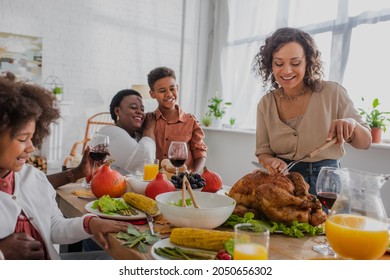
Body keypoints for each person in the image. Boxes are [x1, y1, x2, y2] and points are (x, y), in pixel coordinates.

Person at [0, 73, 129, 260]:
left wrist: (89, 224)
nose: (31, 147)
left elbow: (54, 226)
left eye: (32, 137)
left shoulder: (33, 177)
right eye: (22, 138)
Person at [252, 27, 371, 195]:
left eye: (295, 63)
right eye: (279, 63)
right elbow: (263, 152)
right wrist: (271, 161)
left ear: (308, 62)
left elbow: (365, 142)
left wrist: (352, 125)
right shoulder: (266, 104)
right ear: (270, 65)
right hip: (284, 185)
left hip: (326, 185)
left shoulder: (332, 93)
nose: (286, 71)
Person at [147, 66, 207, 173]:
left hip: (183, 182)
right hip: (155, 181)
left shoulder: (190, 122)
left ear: (177, 88)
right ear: (152, 94)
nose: (169, 94)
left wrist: (195, 174)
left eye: (172, 88)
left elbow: (200, 152)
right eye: (162, 90)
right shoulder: (148, 121)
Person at [97, 89, 156, 174]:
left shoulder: (138, 136)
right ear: (117, 111)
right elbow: (144, 165)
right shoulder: (109, 133)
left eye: (142, 109)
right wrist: (149, 128)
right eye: (133, 107)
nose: (140, 112)